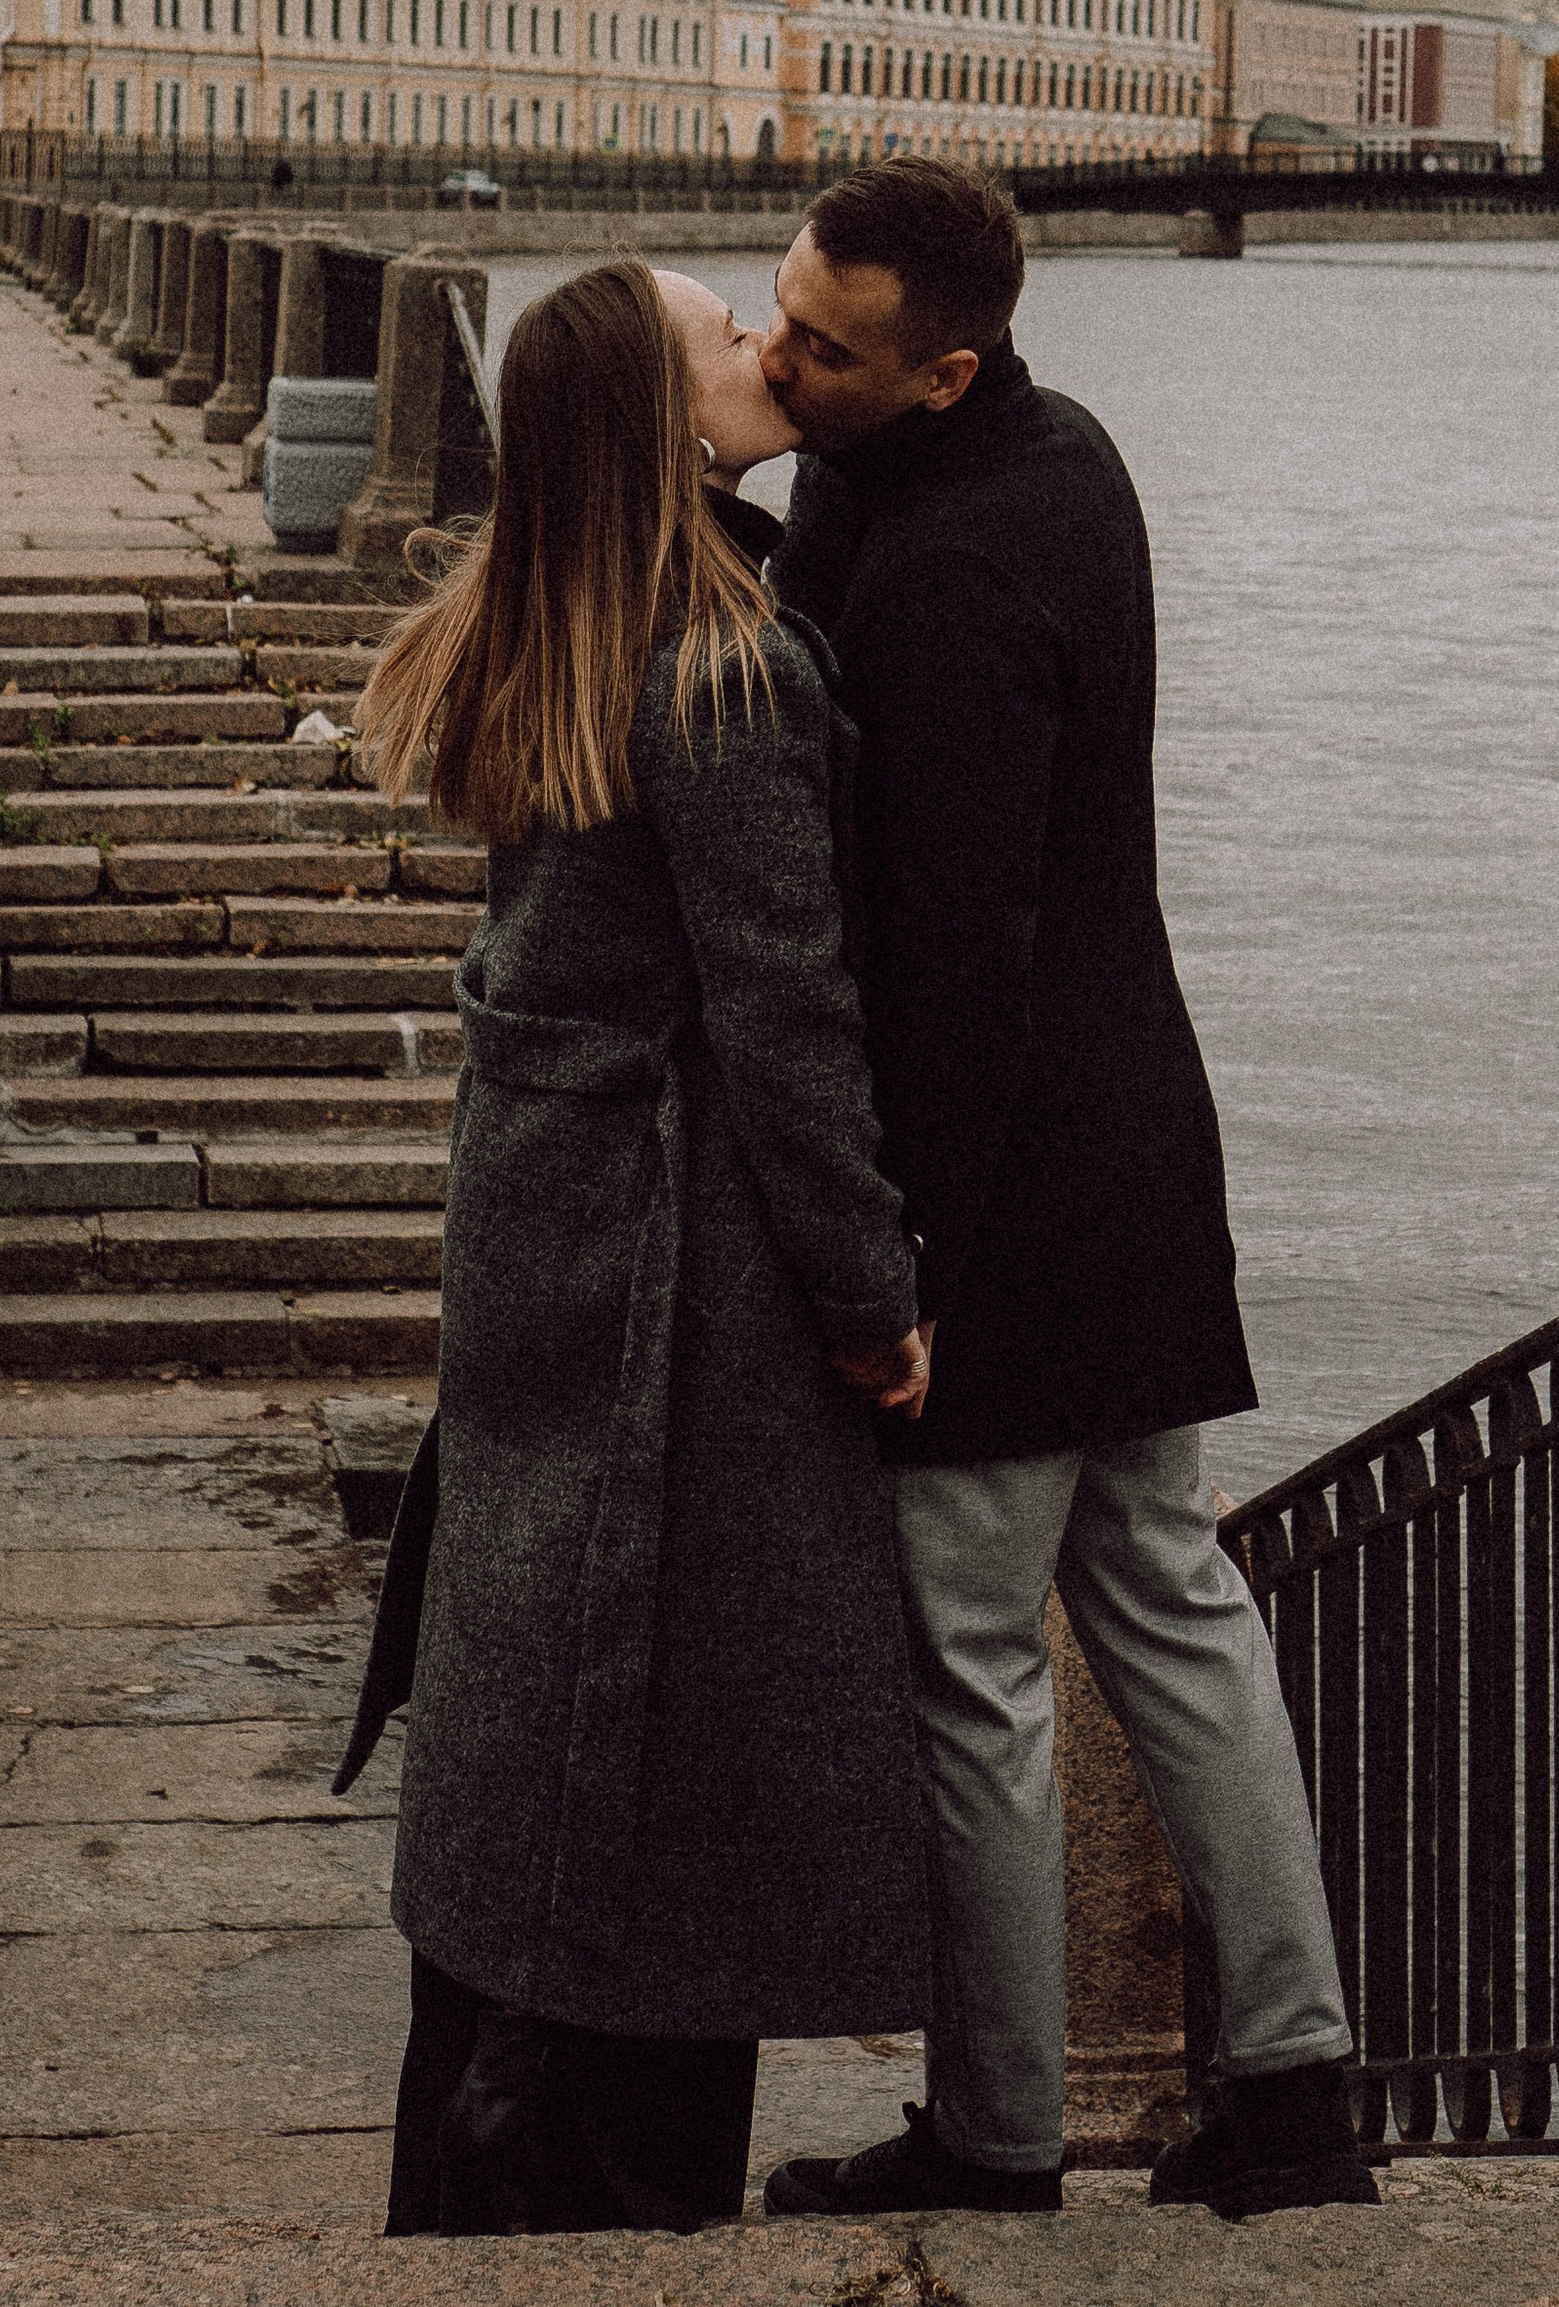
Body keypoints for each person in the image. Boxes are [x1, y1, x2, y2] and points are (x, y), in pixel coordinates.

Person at [752, 158, 1379, 2225]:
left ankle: (998, 2134)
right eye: (773, 312)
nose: (773, 357)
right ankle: (1294, 2089)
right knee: (1174, 1603)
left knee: (974, 1666)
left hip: (1002, 1191)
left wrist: (895, 1269)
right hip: (1136, 1147)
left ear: (938, 371)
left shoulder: (937, 587)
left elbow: (954, 954)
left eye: (820, 350)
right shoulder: (1062, 457)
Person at [337, 257, 933, 2237]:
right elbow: (788, 1031)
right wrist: (875, 1309)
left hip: (542, 1276)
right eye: (724, 332)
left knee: (529, 1745)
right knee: (655, 1789)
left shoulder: (539, 636)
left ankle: (475, 2175)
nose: (765, 347)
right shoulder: (718, 675)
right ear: (672, 423)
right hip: (678, 1317)